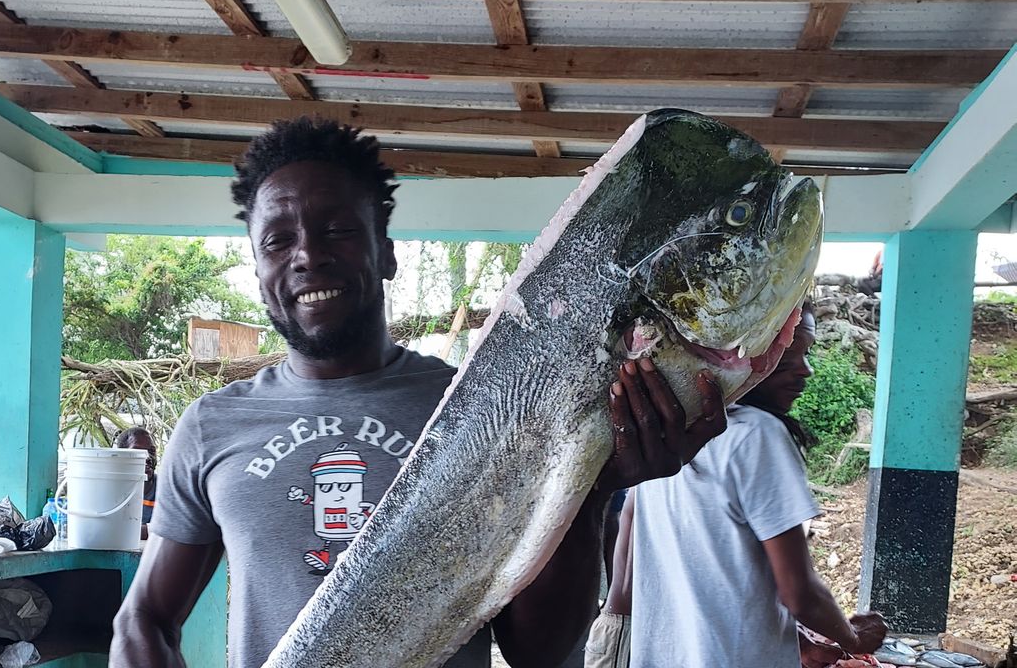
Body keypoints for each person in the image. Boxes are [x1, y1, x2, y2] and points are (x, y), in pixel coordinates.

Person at [110, 117, 728, 668]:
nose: (308, 256)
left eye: (338, 230)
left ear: (387, 255)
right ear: (258, 270)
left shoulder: (487, 405)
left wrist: (591, 491)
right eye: (278, 240)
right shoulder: (210, 426)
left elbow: (537, 653)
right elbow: (144, 620)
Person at [588, 302, 887, 668]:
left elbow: (706, 571)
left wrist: (800, 640)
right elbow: (799, 593)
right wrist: (853, 638)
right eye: (791, 354)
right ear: (752, 353)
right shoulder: (758, 435)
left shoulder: (672, 434)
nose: (805, 371)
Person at [115, 426, 157, 540]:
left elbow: (173, 529)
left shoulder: (168, 488)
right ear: (121, 456)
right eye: (138, 451)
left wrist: (124, 530)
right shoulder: (110, 489)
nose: (148, 457)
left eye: (152, 451)